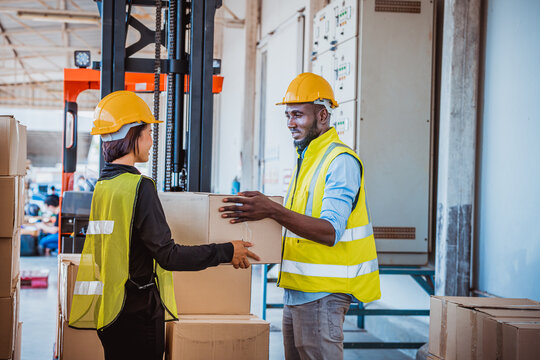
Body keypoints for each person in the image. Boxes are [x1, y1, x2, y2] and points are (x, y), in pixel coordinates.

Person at [69, 91, 259, 360]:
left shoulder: (104, 187)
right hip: (137, 315)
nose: (150, 141)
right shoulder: (139, 187)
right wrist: (227, 251)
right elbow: (168, 256)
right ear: (131, 135)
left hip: (112, 312)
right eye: (147, 132)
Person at [219, 73, 381, 360]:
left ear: (322, 115)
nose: (291, 123)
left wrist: (272, 209)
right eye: (287, 115)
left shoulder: (340, 161)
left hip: (323, 294)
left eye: (297, 114)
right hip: (298, 290)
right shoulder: (307, 159)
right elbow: (295, 225)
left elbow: (329, 231)